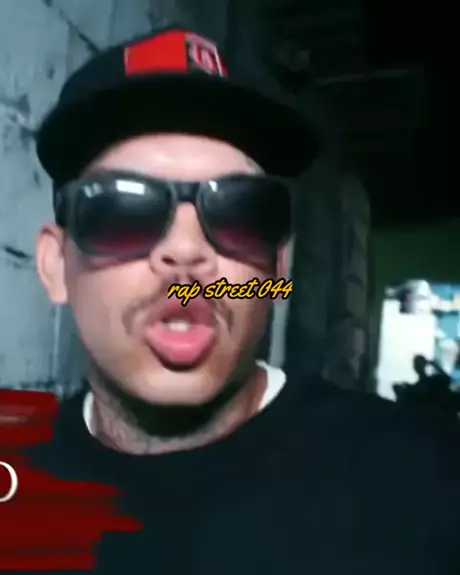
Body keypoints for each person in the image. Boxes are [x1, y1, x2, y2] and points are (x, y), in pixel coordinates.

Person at [21, 26, 460, 574]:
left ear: (277, 267)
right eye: (122, 209)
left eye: (241, 211)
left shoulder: (432, 484)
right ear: (56, 267)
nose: (187, 253)